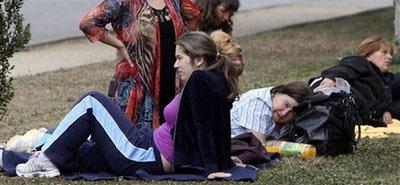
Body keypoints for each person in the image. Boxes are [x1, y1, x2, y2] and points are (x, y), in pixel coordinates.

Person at [12, 32, 239, 179]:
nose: (174, 64)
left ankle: (44, 160)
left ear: (198, 60)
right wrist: (226, 159)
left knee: (92, 102)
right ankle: (40, 155)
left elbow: (205, 126)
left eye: (180, 58)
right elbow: (218, 124)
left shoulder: (200, 81)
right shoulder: (212, 80)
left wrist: (212, 168)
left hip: (146, 155)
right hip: (147, 143)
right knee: (78, 145)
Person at [79, 0, 200, 129]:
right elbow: (88, 23)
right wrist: (119, 44)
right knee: (137, 138)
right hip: (139, 83)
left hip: (173, 76)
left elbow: (193, 16)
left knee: (172, 131)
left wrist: (185, 46)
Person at [318, 36, 398, 125]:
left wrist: (386, 111)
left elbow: (385, 100)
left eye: (391, 54)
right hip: (368, 112)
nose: (390, 57)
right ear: (368, 55)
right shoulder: (362, 62)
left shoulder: (385, 77)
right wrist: (331, 77)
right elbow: (345, 69)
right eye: (384, 52)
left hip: (381, 106)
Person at [231, 81, 311, 144]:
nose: (284, 113)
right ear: (279, 92)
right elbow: (257, 146)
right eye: (286, 105)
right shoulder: (257, 103)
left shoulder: (292, 118)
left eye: (292, 112)